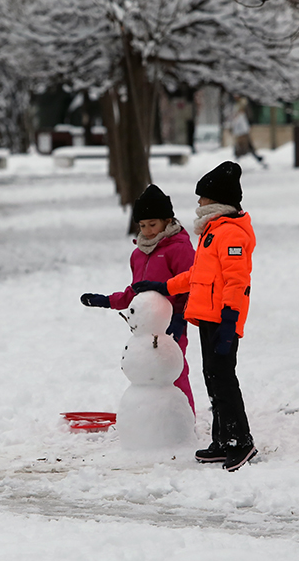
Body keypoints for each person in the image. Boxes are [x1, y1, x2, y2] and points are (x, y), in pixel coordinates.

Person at [133, 161, 257, 471]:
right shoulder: (212, 232)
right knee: (212, 379)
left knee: (225, 380)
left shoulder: (229, 234)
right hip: (207, 317)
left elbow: (236, 281)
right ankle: (222, 439)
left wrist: (230, 320)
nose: (198, 203)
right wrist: (162, 285)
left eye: (202, 198)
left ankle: (241, 441)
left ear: (216, 201)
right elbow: (196, 276)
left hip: (222, 320)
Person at [80, 183, 196, 413]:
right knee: (147, 372)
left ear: (167, 221)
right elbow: (136, 291)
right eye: (142, 225)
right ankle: (152, 417)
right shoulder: (138, 254)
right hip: (145, 327)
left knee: (173, 369)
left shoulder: (179, 248)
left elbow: (192, 285)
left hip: (172, 324)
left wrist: (180, 318)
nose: (147, 230)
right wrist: (107, 301)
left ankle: (184, 416)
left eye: (153, 224)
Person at [230, 97, 267, 168]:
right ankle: (257, 159)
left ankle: (237, 162)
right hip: (242, 132)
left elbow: (242, 123)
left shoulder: (241, 114)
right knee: (246, 148)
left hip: (242, 133)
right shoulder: (239, 114)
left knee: (243, 148)